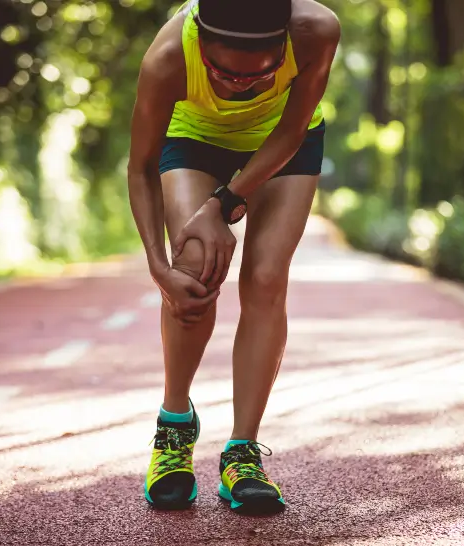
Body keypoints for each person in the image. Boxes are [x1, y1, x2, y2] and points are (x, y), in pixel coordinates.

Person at [126, 0, 340, 515]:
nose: (236, 85)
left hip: (282, 145)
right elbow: (140, 165)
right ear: (201, 42)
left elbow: (291, 132)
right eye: (222, 73)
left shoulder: (317, 31)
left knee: (266, 277)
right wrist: (159, 268)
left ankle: (243, 452)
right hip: (195, 139)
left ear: (282, 47)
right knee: (193, 269)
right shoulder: (168, 57)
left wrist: (223, 203)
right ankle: (174, 426)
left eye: (258, 76)